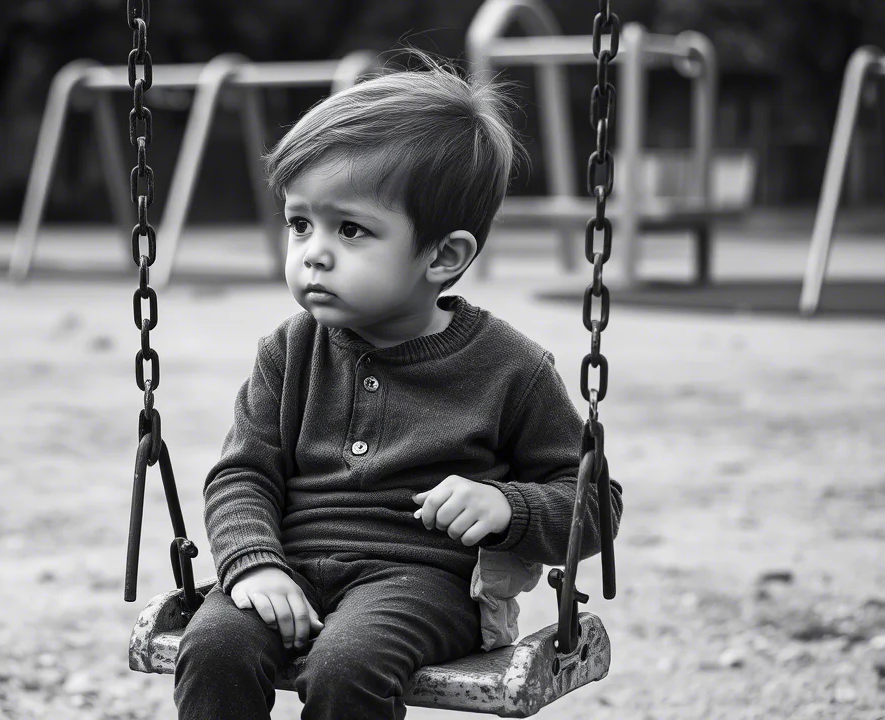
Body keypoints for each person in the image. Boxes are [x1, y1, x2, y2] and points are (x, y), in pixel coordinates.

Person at [173, 51, 623, 720]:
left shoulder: (512, 369)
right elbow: (242, 475)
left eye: (351, 229)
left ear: (443, 256)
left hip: (420, 584)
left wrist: (508, 508)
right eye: (301, 223)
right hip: (289, 566)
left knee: (348, 664)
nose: (313, 252)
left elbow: (594, 508)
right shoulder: (289, 351)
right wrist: (254, 563)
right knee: (214, 645)